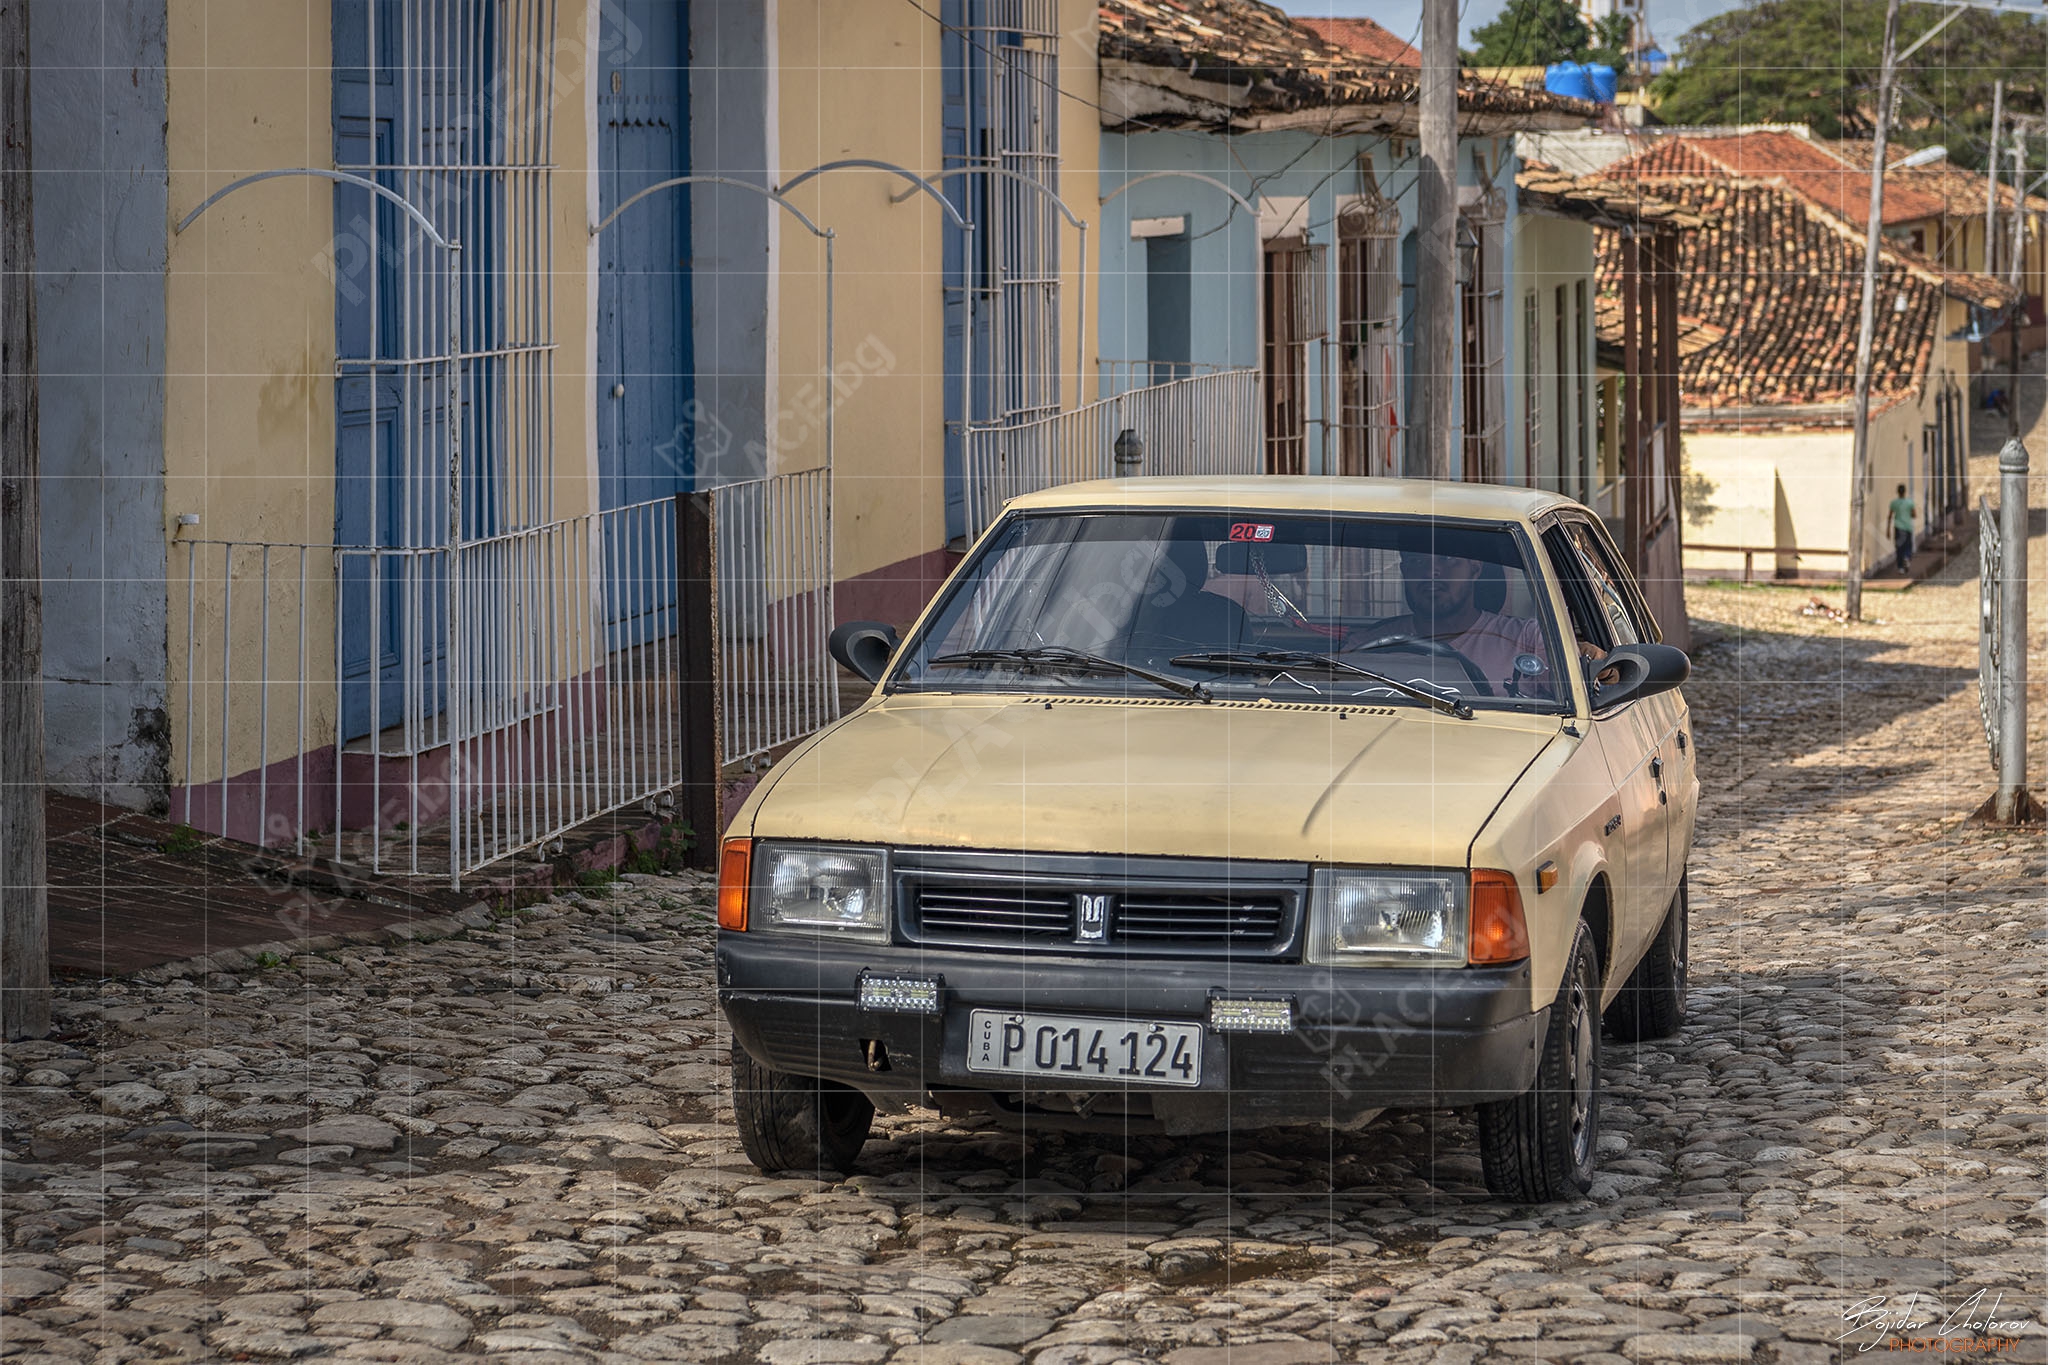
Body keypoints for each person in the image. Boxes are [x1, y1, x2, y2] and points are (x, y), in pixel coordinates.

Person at [1353, 550, 1552, 696]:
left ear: (1475, 569)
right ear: (1404, 571)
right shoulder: (1369, 645)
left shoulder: (1529, 639)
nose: (1431, 572)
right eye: (1418, 560)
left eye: (1447, 559)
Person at [1888, 484, 1917, 576]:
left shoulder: (1894, 503)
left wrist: (1887, 529)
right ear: (1905, 492)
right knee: (1908, 545)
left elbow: (1890, 516)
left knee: (1899, 547)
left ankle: (1900, 567)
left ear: (1898, 492)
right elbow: (1914, 515)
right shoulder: (1910, 503)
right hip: (1908, 527)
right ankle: (1907, 557)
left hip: (1898, 528)